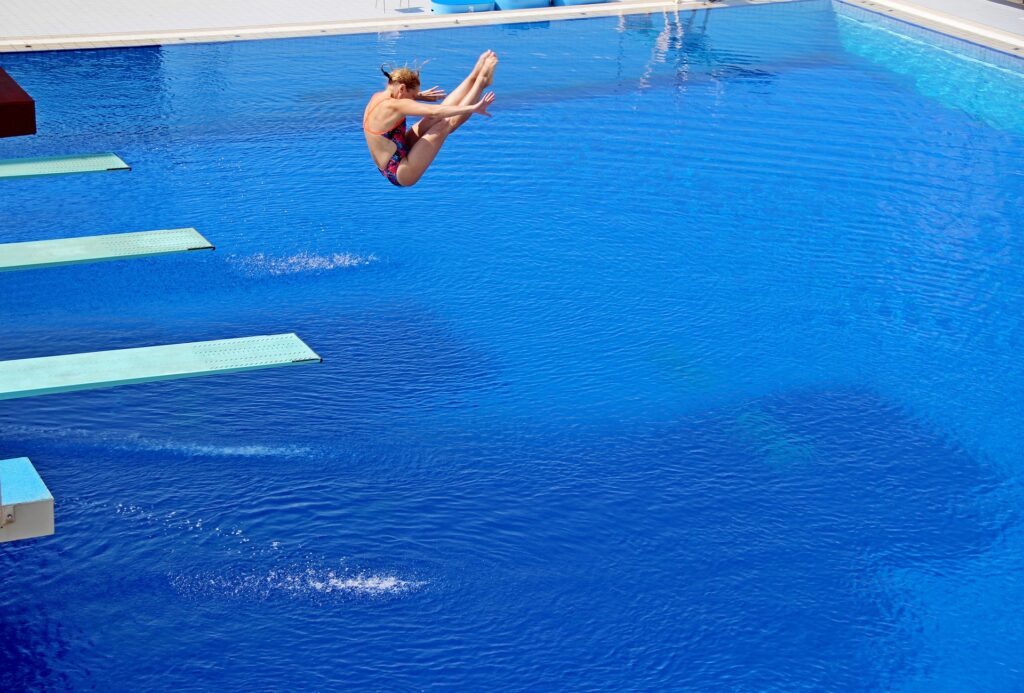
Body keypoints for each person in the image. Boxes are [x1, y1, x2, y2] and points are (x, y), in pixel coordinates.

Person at [362, 51, 497, 187]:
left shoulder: (379, 97)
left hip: (395, 153)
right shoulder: (396, 105)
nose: (412, 100)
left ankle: (473, 77)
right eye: (412, 96)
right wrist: (473, 108)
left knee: (433, 119)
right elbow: (436, 111)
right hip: (401, 172)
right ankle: (481, 83)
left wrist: (418, 95)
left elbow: (406, 102)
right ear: (402, 88)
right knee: (444, 124)